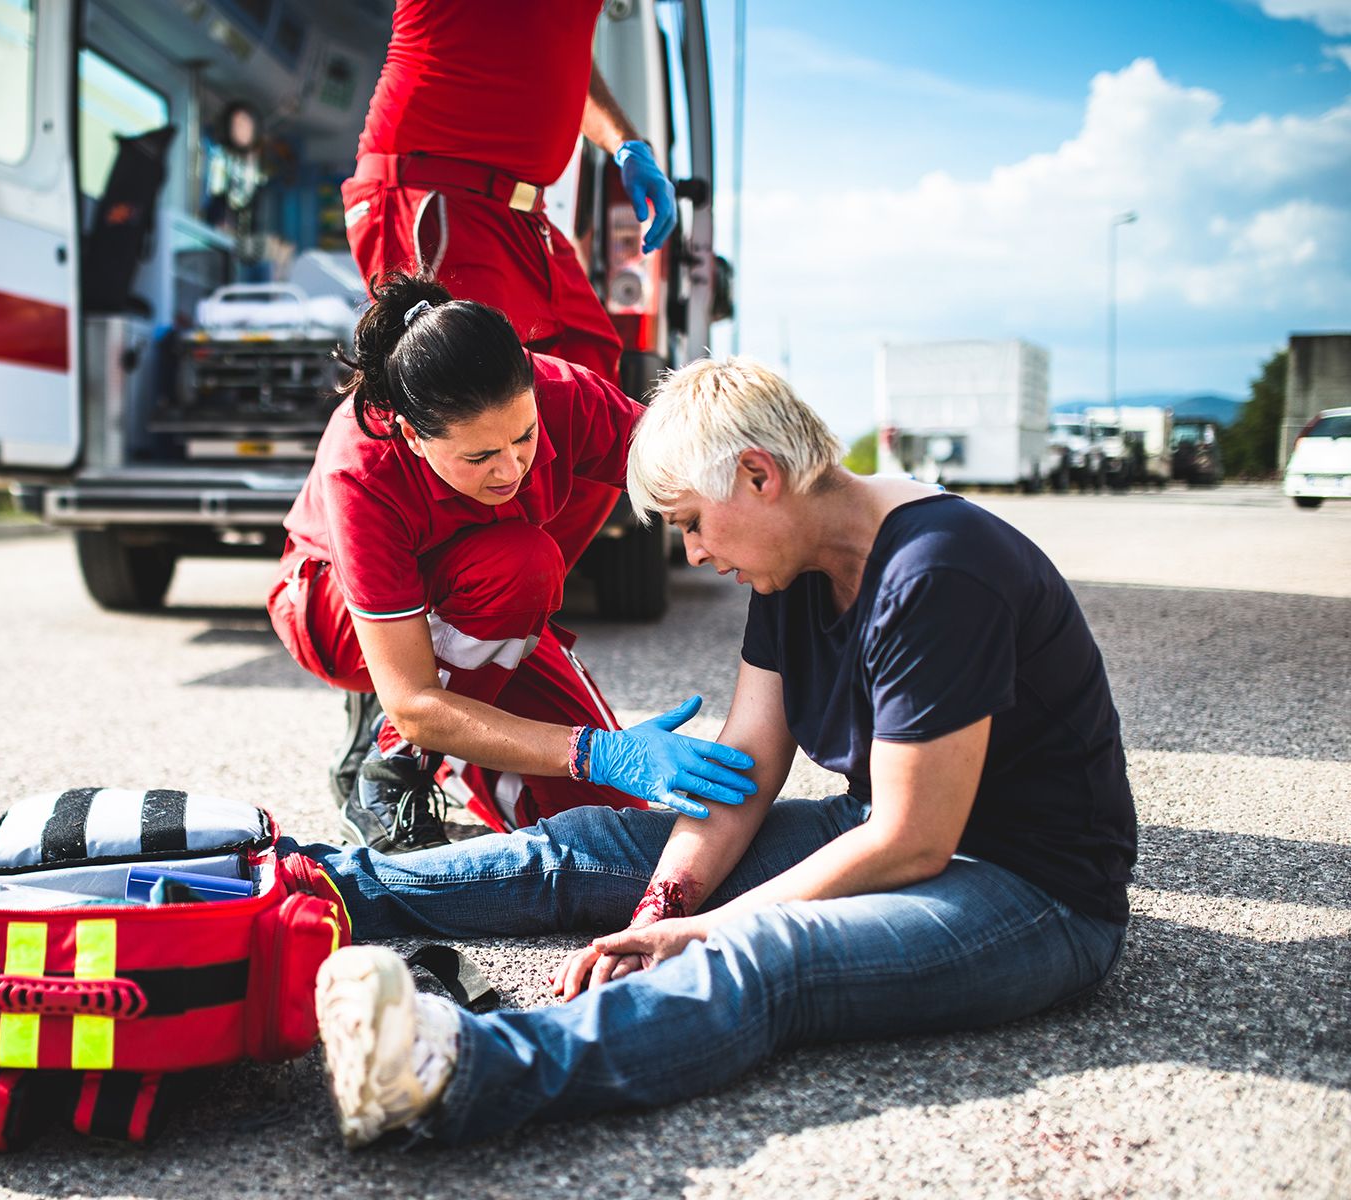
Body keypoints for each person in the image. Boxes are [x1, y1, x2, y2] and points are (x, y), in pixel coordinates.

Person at [293, 357, 1139, 1147]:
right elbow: (746, 768)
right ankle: (316, 889)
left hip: (1033, 890)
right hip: (889, 827)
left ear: (759, 475)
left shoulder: (938, 572)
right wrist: (664, 904)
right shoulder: (794, 559)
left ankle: (458, 1071)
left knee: (764, 954)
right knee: (601, 845)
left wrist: (700, 930)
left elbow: (914, 838)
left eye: (693, 523)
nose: (694, 552)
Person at [327, 0, 681, 813]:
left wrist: (621, 138)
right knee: (465, 408)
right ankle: (399, 711)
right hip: (435, 176)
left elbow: (557, 40)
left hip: (525, 208)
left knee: (586, 384)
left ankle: (499, 628)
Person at [267, 273, 757, 853]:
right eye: (479, 456)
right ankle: (395, 762)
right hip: (336, 613)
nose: (511, 470)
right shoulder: (363, 464)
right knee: (521, 566)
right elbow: (415, 704)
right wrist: (593, 751)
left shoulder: (564, 393)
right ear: (412, 436)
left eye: (524, 438)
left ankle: (459, 735)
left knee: (612, 827)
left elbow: (693, 471)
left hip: (486, 611)